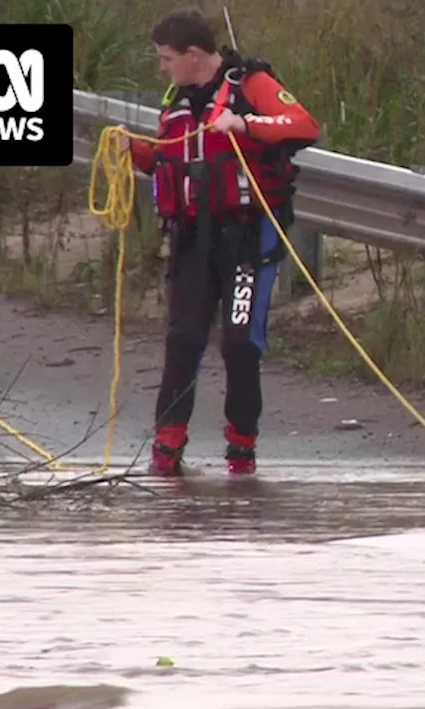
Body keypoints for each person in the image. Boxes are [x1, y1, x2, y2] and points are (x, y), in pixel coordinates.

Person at [123, 8, 321, 476]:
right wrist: (135, 152)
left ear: (194, 55)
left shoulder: (250, 84)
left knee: (238, 343)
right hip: (193, 238)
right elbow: (169, 162)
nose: (162, 68)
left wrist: (244, 125)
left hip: (248, 238)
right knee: (183, 338)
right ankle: (167, 449)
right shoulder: (177, 99)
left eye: (167, 59)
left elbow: (304, 126)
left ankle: (242, 449)